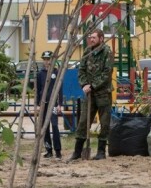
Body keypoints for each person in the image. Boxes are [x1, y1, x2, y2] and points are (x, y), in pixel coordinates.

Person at [71, 30, 114, 161]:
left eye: (94, 37)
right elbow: (81, 69)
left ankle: (101, 151)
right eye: (90, 37)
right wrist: (84, 84)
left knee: (104, 122)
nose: (91, 39)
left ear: (101, 38)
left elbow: (107, 73)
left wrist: (93, 85)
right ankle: (77, 151)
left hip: (103, 93)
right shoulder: (87, 51)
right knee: (83, 121)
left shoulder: (107, 52)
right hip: (89, 94)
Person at [34, 50, 62, 159]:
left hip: (53, 104)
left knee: (54, 126)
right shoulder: (40, 74)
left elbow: (60, 89)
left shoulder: (56, 72)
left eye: (48, 59)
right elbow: (37, 90)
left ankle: (58, 150)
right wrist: (37, 104)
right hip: (43, 104)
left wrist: (60, 104)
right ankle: (48, 149)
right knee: (44, 127)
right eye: (45, 59)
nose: (47, 62)